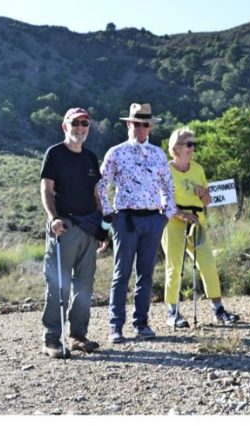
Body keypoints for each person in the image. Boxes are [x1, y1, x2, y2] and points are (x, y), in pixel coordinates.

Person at [98, 103, 177, 344]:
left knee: (146, 273)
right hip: (126, 220)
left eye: (145, 124)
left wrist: (167, 214)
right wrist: (110, 214)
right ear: (128, 125)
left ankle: (141, 323)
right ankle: (116, 326)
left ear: (150, 127)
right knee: (121, 273)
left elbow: (168, 185)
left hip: (153, 219)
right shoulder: (116, 153)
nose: (141, 128)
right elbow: (102, 185)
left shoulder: (157, 153)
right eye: (136, 123)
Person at [39, 107, 106, 358]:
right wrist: (54, 218)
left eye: (84, 123)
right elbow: (46, 190)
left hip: (89, 228)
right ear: (64, 126)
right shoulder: (54, 154)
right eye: (75, 123)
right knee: (58, 285)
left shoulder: (90, 158)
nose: (80, 128)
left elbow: (96, 194)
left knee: (85, 285)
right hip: (64, 227)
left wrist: (102, 229)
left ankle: (78, 336)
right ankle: (51, 340)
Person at [161, 127, 240, 328]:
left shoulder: (197, 169)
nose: (192, 148)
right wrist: (181, 214)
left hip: (197, 222)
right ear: (176, 147)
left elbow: (207, 200)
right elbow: (163, 200)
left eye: (193, 144)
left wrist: (203, 193)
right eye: (189, 144)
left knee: (208, 264)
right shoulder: (165, 169)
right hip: (174, 222)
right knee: (175, 266)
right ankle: (173, 312)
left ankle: (218, 309)